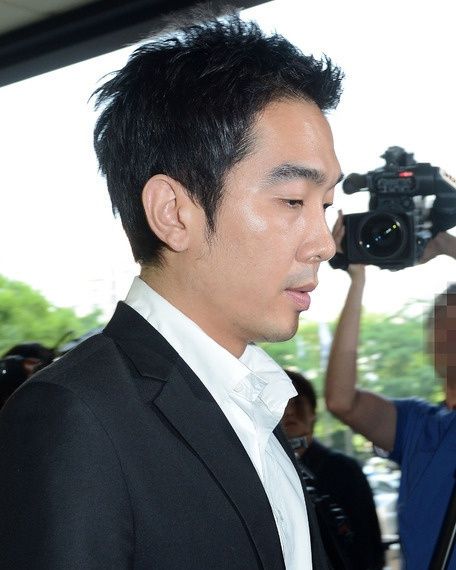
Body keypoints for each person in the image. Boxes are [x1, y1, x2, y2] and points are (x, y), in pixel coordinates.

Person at [0, 14, 344, 570]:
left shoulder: (252, 403)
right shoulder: (73, 416)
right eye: (292, 201)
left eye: (325, 205)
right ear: (173, 213)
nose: (324, 243)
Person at [325, 211, 456, 569]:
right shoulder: (419, 424)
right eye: (441, 322)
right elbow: (341, 400)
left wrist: (447, 246)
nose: (449, 334)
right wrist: (357, 280)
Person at [281, 369, 385, 570]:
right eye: (282, 403)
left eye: (297, 402)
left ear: (312, 412)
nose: (290, 412)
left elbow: (368, 543)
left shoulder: (343, 469)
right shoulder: (264, 473)